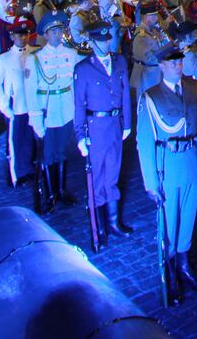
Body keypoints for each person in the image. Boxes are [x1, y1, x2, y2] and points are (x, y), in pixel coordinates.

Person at [136, 40, 197, 306]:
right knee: (170, 220)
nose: (178, 66)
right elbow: (144, 141)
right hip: (167, 164)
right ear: (161, 65)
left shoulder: (194, 87)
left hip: (191, 160)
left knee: (188, 216)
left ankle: (184, 263)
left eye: (180, 62)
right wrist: (151, 183)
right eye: (172, 62)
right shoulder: (151, 97)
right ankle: (170, 270)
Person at [73, 23, 135, 242]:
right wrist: (80, 135)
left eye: (108, 39)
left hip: (115, 124)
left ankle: (113, 221)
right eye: (100, 40)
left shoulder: (119, 61)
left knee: (113, 172)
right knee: (97, 176)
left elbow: (126, 93)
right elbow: (79, 105)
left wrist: (127, 123)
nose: (105, 44)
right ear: (91, 42)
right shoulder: (83, 68)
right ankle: (99, 224)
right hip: (96, 127)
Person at [27, 16, 82, 216]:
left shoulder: (71, 54)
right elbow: (30, 90)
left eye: (60, 31)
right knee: (48, 154)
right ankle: (49, 194)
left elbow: (75, 84)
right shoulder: (35, 59)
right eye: (53, 32)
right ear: (46, 35)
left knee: (61, 151)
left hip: (66, 108)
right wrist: (35, 119)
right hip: (47, 110)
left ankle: (61, 190)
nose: (58, 35)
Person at [0, 20, 39, 188]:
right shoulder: (3, 58)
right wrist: (5, 108)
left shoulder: (35, 53)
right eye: (19, 35)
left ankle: (29, 168)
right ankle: (17, 174)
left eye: (26, 34)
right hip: (16, 107)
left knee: (31, 140)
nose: (23, 38)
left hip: (33, 106)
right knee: (15, 142)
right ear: (12, 36)